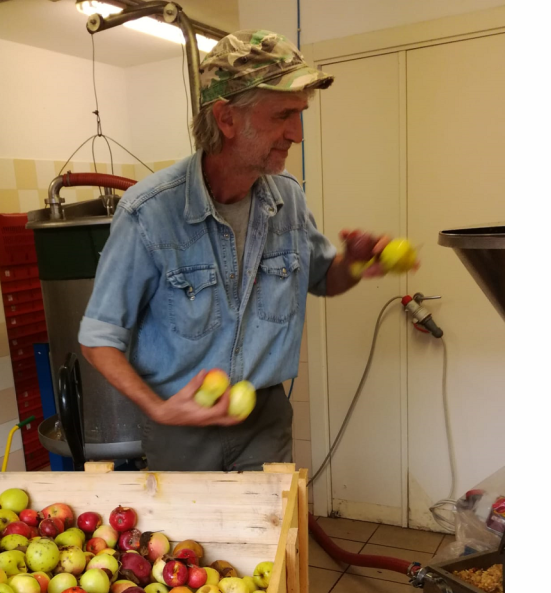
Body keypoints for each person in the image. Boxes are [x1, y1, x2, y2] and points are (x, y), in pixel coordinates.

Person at [78, 30, 409, 471]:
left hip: (264, 422)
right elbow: (99, 339)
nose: (297, 134)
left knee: (273, 540)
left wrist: (352, 263)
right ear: (227, 119)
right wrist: (159, 410)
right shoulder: (149, 212)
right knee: (189, 541)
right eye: (283, 116)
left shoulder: (287, 197)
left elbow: (322, 279)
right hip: (181, 426)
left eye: (300, 115)